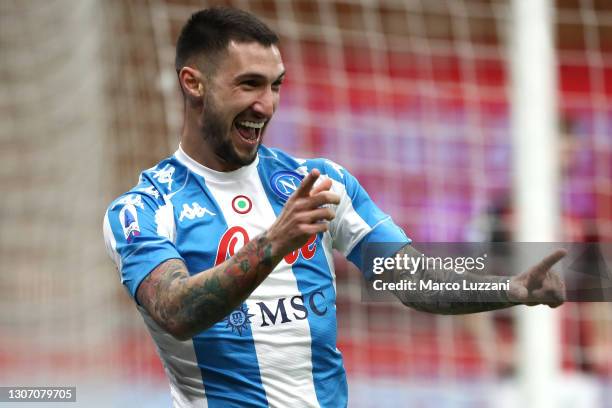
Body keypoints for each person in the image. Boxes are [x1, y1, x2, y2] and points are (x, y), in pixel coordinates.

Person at [103, 7, 566, 408]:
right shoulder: (144, 209)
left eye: (276, 86)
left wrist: (509, 287)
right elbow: (175, 310)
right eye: (249, 85)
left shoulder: (320, 182)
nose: (266, 105)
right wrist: (274, 243)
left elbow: (408, 278)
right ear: (193, 84)